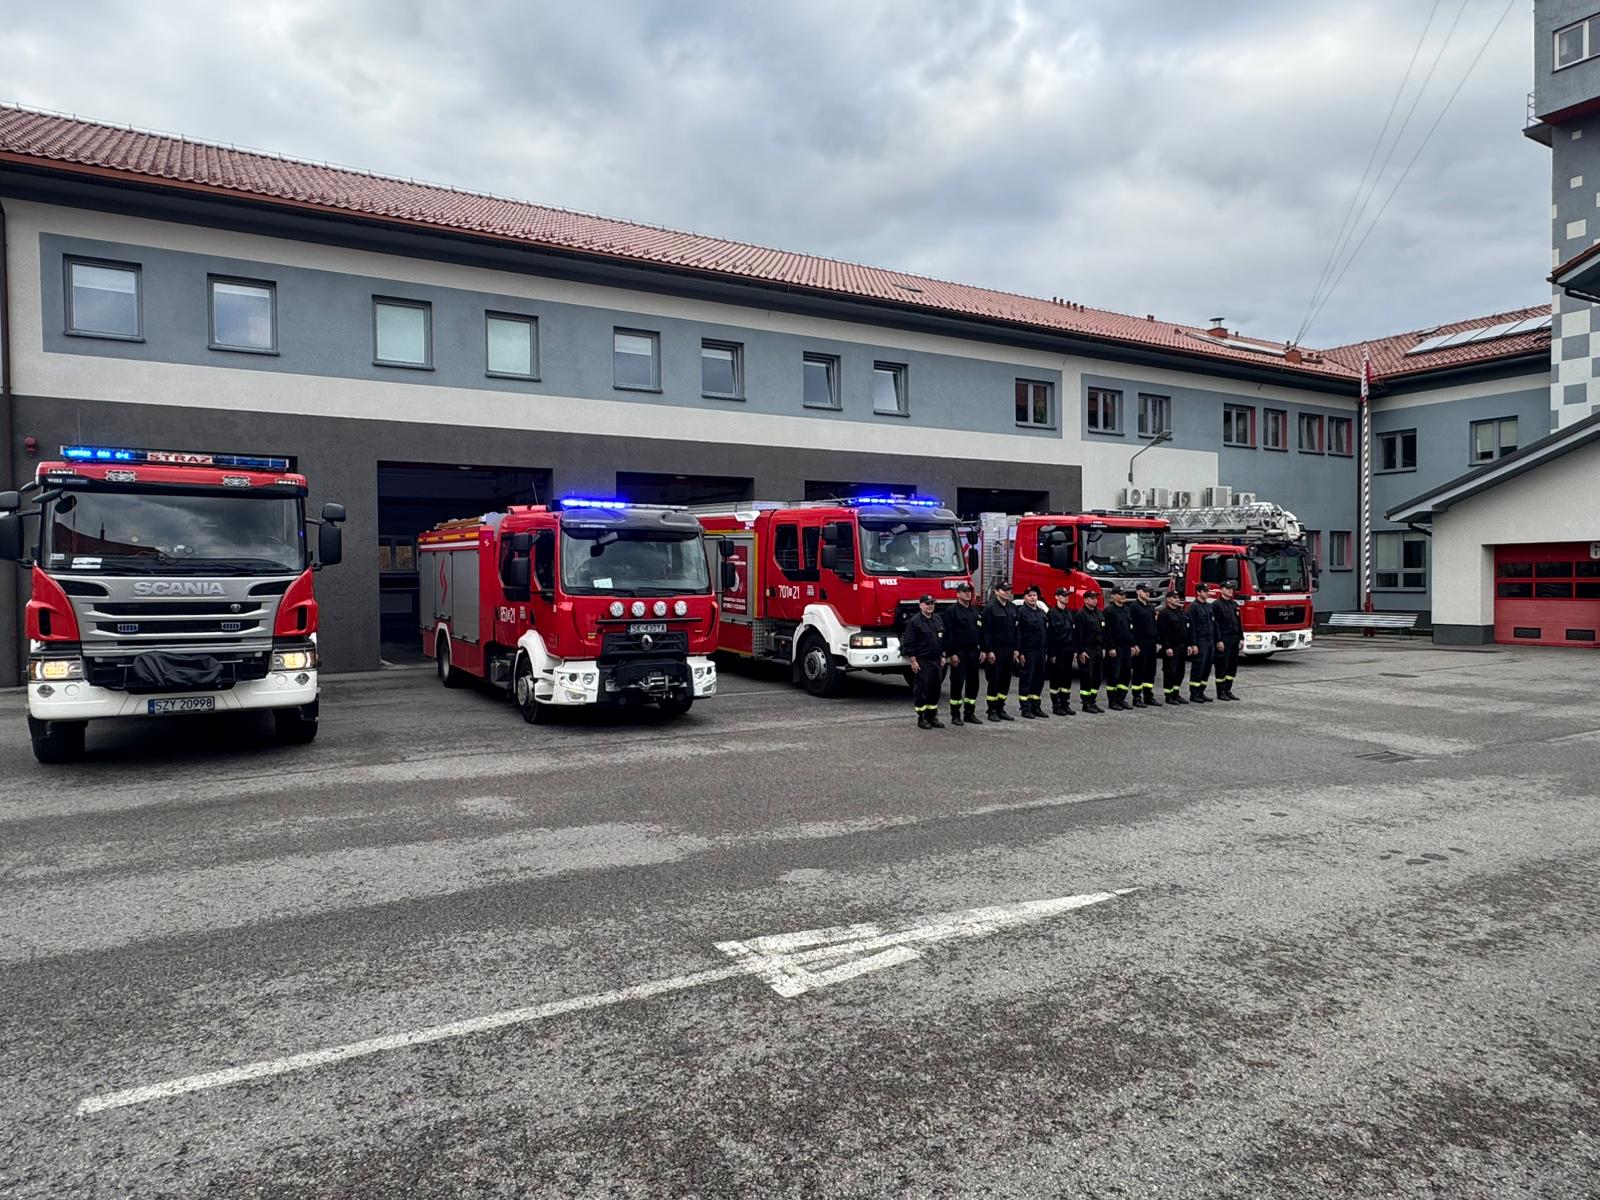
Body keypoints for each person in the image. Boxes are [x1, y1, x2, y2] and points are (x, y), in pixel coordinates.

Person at [940, 581, 983, 727]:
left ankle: (969, 713)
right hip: (959, 652)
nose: (968, 593)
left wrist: (982, 649)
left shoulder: (975, 611)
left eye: (969, 591)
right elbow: (948, 634)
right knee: (957, 684)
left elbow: (981, 632)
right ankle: (955, 715)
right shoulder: (951, 611)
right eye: (964, 591)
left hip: (973, 652)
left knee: (973, 683)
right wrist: (952, 653)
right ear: (958, 594)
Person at [902, 593, 946, 729]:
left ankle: (932, 716)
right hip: (923, 661)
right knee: (922, 690)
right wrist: (913, 661)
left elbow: (942, 639)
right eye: (927, 604)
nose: (930, 606)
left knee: (935, 690)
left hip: (936, 661)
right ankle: (922, 718)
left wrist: (943, 655)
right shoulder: (915, 622)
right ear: (921, 605)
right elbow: (909, 642)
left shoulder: (937, 619)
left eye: (932, 603)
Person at [980, 580, 1020, 722]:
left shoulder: (1012, 607)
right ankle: (991, 710)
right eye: (1004, 590)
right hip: (996, 650)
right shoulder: (990, 608)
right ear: (996, 592)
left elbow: (1016, 629)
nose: (1007, 592)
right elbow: (986, 632)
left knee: (1005, 680)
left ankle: (1000, 708)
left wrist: (1016, 648)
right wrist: (989, 650)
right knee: (994, 680)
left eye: (1009, 590)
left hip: (1009, 649)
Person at [1015, 584, 1050, 719]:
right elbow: (1018, 634)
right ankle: (1025, 708)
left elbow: (1046, 632)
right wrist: (1020, 652)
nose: (1033, 598)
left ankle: (1036, 707)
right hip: (1028, 652)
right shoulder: (1021, 612)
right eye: (1029, 595)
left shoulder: (1041, 613)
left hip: (1040, 652)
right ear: (1024, 597)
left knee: (1038, 680)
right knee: (1026, 681)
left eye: (1034, 595)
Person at [1156, 589, 1193, 705]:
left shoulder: (1180, 612)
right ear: (1168, 599)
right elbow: (1162, 633)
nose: (1177, 600)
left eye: (1178, 597)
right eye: (1174, 598)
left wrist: (1189, 645)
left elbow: (1186, 629)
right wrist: (1167, 647)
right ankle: (1169, 695)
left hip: (1182, 647)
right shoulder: (1164, 614)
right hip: (1171, 647)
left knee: (1180, 672)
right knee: (1170, 672)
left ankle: (1176, 693)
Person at [1102, 587, 1136, 711]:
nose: (1123, 596)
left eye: (1124, 594)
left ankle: (1121, 698)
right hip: (1115, 647)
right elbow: (1107, 631)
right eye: (1120, 594)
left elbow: (1130, 628)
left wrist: (1132, 644)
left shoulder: (1127, 610)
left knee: (1126, 674)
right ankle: (1112, 701)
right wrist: (1110, 647)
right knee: (1114, 675)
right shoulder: (1109, 611)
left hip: (1126, 646)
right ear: (1113, 596)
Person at [1074, 588, 1106, 714]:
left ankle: (1092, 701)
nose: (1095, 600)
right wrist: (1080, 651)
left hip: (1098, 648)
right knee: (1087, 676)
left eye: (1095, 598)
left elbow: (1103, 632)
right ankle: (1086, 703)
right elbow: (1078, 635)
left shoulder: (1099, 613)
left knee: (1098, 676)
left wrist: (1104, 647)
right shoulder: (1081, 614)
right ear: (1085, 600)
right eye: (1092, 598)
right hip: (1087, 649)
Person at [1046, 586, 1078, 716]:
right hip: (1058, 650)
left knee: (1067, 679)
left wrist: (1074, 650)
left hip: (1068, 651)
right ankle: (1056, 705)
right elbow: (1049, 636)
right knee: (1056, 678)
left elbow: (1073, 632)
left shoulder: (1069, 613)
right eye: (1063, 596)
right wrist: (1052, 654)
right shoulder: (1052, 613)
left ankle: (1065, 703)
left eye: (1067, 595)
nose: (1066, 598)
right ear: (1057, 597)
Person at [1129, 582, 1161, 707]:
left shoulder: (1150, 607)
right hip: (1140, 643)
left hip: (1151, 643)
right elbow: (1131, 627)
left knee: (1150, 671)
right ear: (1138, 591)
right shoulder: (1133, 607)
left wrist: (1157, 642)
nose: (1147, 593)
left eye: (1148, 591)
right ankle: (1136, 697)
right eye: (1145, 591)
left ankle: (1148, 696)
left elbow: (1154, 625)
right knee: (1139, 671)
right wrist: (1134, 644)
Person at [1212, 580, 1244, 701]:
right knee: (1222, 665)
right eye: (1228, 588)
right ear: (1221, 590)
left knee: (1232, 666)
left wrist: (1241, 638)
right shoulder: (1216, 605)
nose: (1231, 591)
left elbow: (1238, 623)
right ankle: (1220, 692)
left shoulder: (1234, 604)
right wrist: (1218, 640)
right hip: (1224, 639)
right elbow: (1215, 625)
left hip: (1234, 638)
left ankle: (1228, 690)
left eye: (1232, 589)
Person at [1186, 582, 1218, 704]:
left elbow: (1213, 624)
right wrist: (1193, 644)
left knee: (1207, 668)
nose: (1207, 593)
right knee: (1198, 668)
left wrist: (1216, 640)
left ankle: (1201, 691)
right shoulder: (1193, 607)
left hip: (1209, 641)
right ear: (1198, 592)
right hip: (1200, 641)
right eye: (1204, 591)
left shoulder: (1209, 606)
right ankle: (1194, 693)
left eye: (1207, 591)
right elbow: (1192, 627)